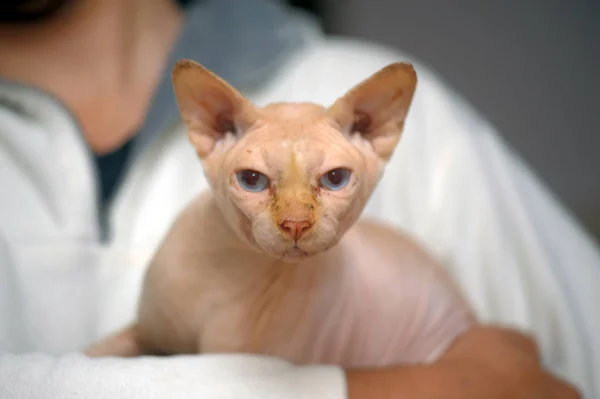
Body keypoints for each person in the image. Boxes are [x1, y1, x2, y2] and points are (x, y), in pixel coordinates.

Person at [0, 0, 597, 398]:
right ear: (210, 131)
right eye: (255, 181)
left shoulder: (416, 120)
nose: (294, 220)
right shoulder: (193, 244)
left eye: (334, 180)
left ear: (374, 134)